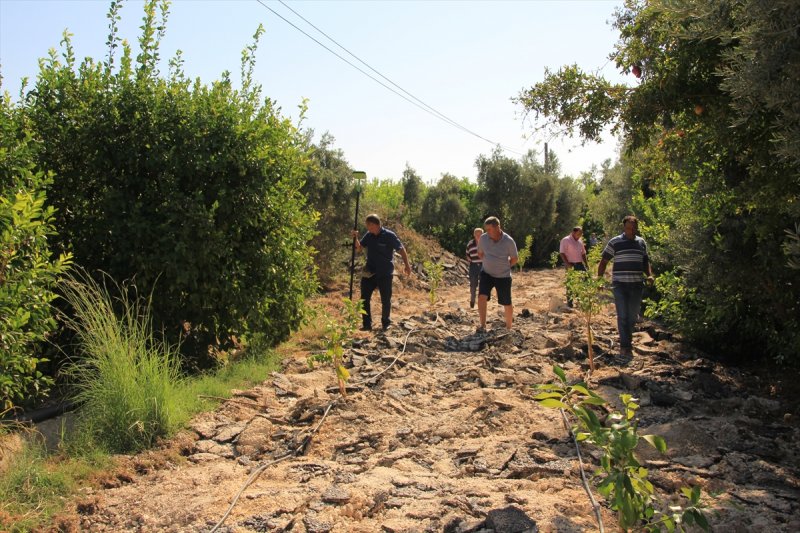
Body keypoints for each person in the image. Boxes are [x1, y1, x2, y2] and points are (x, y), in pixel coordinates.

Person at [597, 215, 654, 358]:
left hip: (636, 285)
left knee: (632, 316)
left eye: (634, 228)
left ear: (637, 228)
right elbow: (604, 261)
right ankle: (625, 346)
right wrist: (599, 279)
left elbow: (645, 260)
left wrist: (649, 275)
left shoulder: (641, 242)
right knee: (622, 316)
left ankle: (627, 342)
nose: (631, 230)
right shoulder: (615, 242)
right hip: (619, 285)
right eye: (629, 228)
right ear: (624, 228)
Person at [352, 214, 412, 331]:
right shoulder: (369, 235)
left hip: (384, 272)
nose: (367, 227)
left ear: (376, 225)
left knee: (385, 299)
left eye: (369, 225)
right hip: (369, 271)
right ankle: (366, 324)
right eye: (367, 225)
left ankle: (386, 323)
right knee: (364, 298)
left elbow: (401, 249)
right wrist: (355, 238)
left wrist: (407, 265)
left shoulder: (389, 236)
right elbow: (359, 248)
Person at [477, 216, 518, 331]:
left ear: (497, 227)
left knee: (507, 302)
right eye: (486, 229)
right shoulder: (483, 238)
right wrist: (488, 262)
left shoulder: (508, 241)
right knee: (481, 297)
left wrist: (504, 266)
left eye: (489, 229)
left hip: (503, 276)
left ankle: (509, 328)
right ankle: (482, 325)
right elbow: (480, 253)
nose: (487, 232)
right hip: (486, 273)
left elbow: (514, 258)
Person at [559, 226, 588, 307]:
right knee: (570, 284)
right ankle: (570, 303)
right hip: (571, 264)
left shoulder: (580, 241)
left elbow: (583, 253)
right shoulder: (565, 240)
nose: (580, 235)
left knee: (584, 280)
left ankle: (580, 301)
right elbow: (562, 253)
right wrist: (567, 264)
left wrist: (586, 264)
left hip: (580, 264)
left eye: (581, 234)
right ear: (573, 232)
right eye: (579, 233)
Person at [465, 227, 484, 309]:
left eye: (480, 234)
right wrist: (469, 259)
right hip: (473, 266)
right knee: (473, 284)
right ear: (474, 234)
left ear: (483, 234)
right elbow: (467, 254)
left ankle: (481, 302)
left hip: (483, 265)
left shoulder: (486, 243)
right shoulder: (470, 244)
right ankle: (472, 301)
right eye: (476, 234)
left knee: (483, 284)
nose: (478, 236)